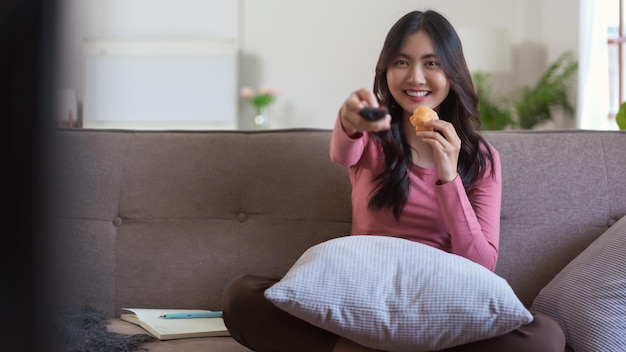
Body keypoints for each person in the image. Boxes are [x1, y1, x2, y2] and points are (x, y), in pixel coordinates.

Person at [222, 10, 565, 352]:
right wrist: (348, 118)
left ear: (452, 72)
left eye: (431, 64)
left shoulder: (481, 157)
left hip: (441, 308)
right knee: (243, 296)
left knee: (545, 338)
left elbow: (480, 265)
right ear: (385, 70)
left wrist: (448, 177)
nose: (415, 78)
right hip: (364, 298)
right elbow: (343, 153)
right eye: (401, 63)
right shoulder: (373, 134)